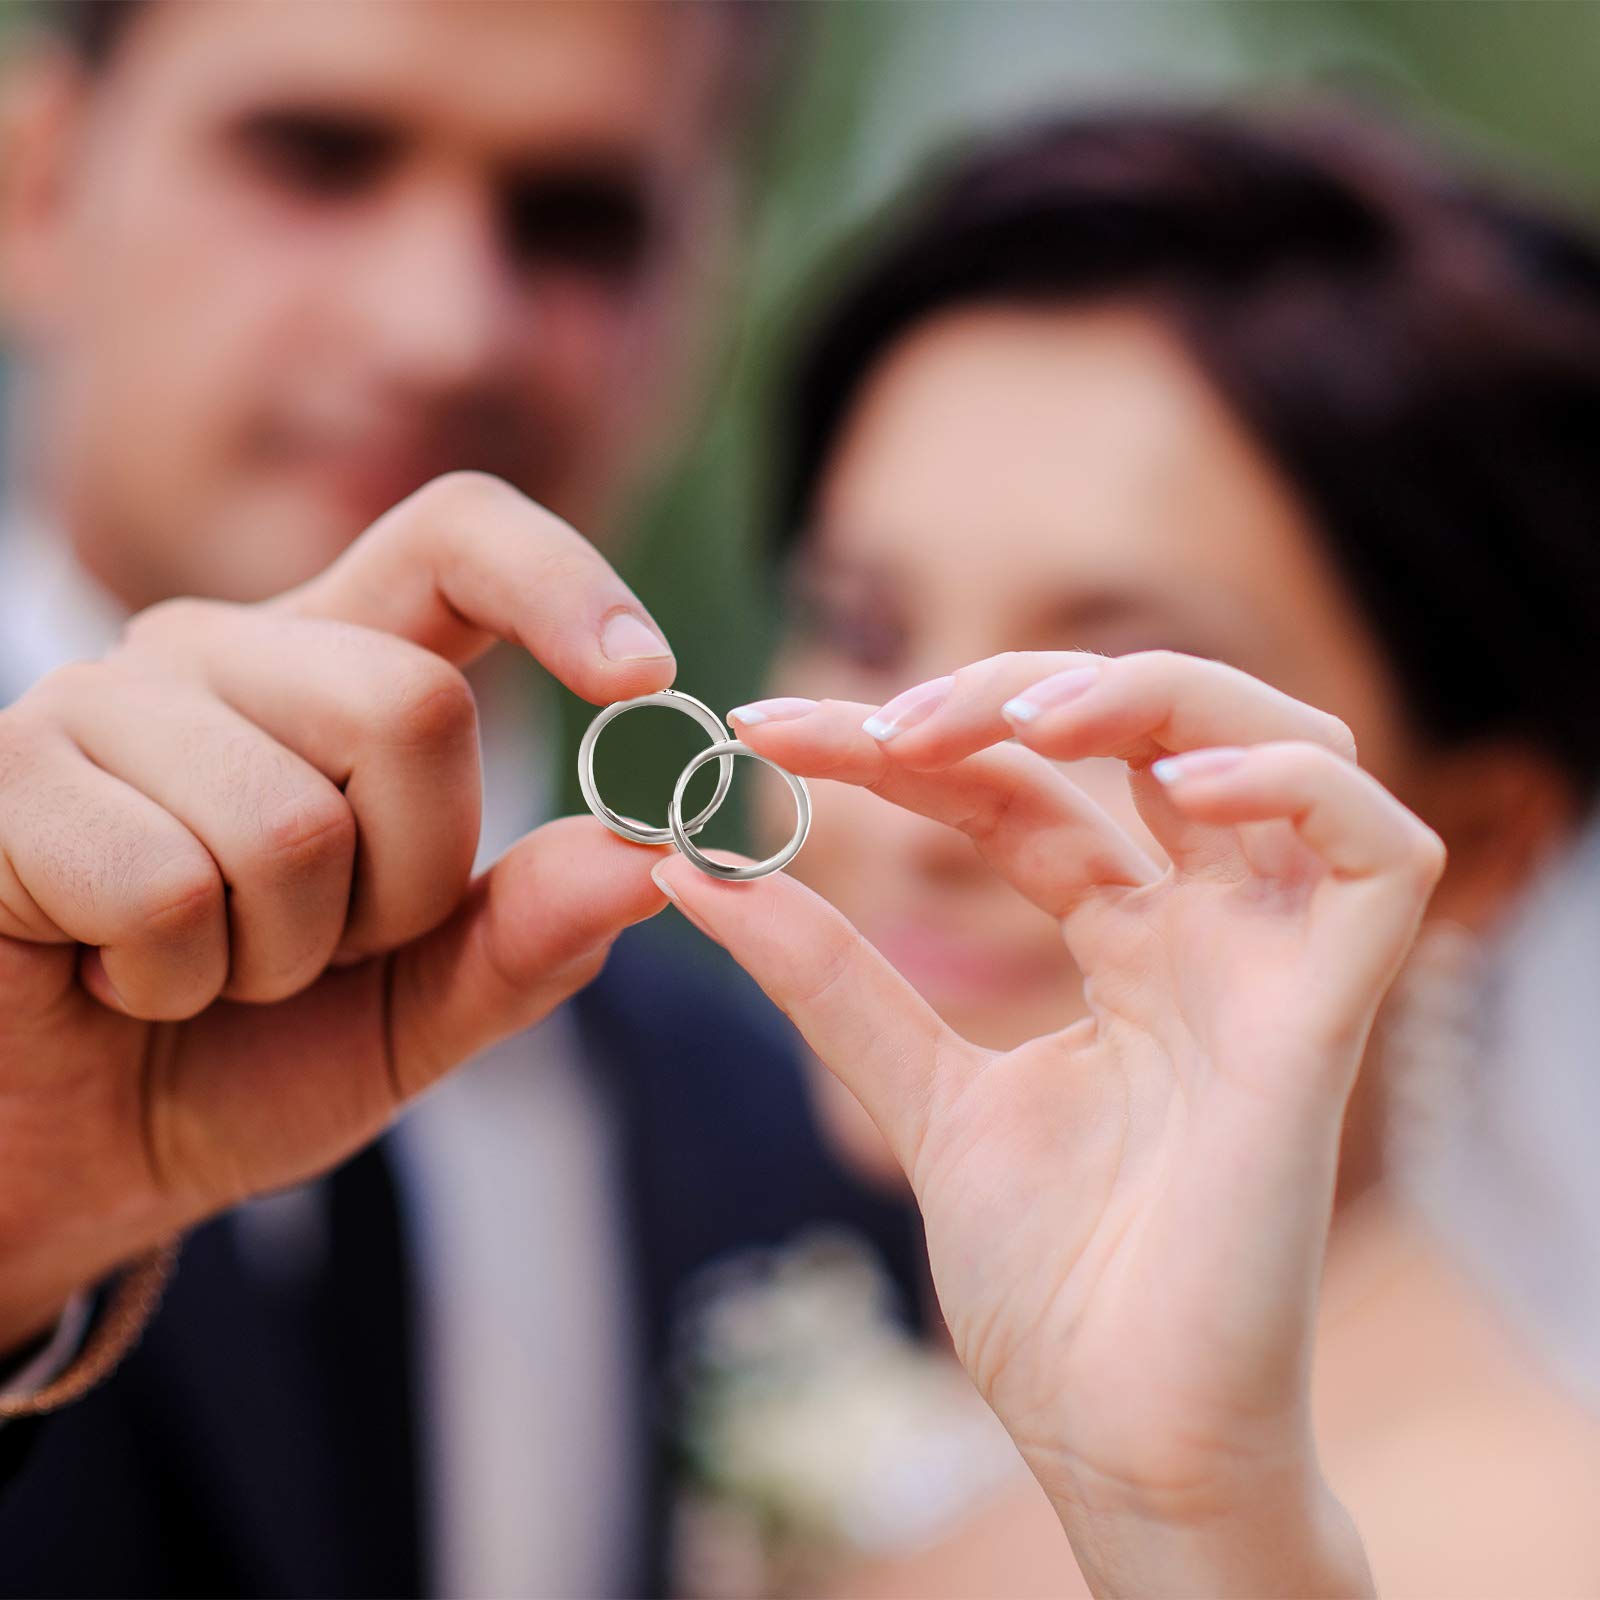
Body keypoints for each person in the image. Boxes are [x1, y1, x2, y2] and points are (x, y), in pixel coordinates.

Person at [0, 5, 924, 1596]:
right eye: (318, 158)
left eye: (581, 220)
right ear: (38, 182)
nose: (448, 326)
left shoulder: (800, 1132)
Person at [653, 106, 1600, 1594]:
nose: (922, 794)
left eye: (1105, 699)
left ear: (1480, 838)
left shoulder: (1523, 1533)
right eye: (864, 627)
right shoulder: (806, 1341)